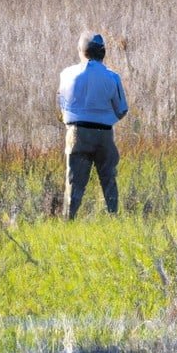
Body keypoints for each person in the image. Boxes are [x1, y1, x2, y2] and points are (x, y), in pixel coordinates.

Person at [57, 31, 128, 219]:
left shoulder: (66, 74)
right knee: (109, 180)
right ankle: (113, 218)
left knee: (74, 182)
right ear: (103, 52)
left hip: (76, 132)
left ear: (81, 50)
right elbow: (122, 110)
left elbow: (61, 104)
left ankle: (68, 220)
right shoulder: (113, 77)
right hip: (104, 134)